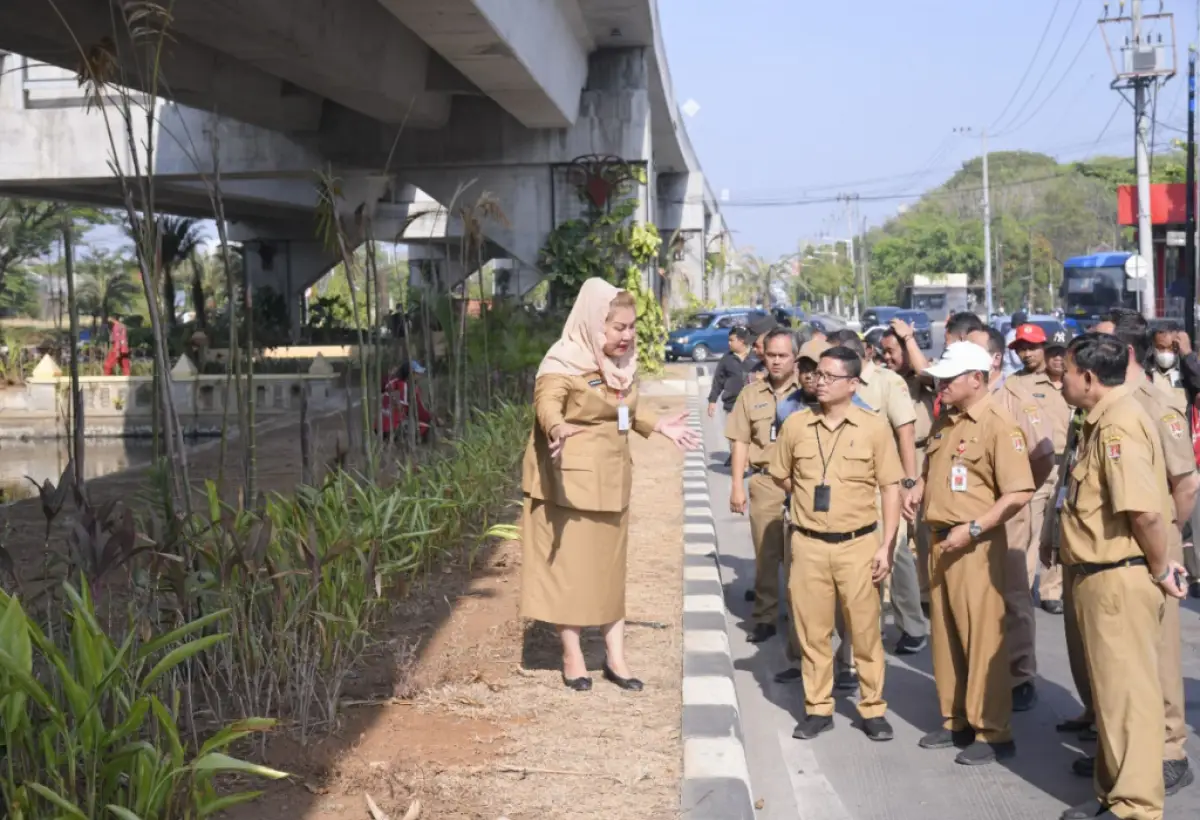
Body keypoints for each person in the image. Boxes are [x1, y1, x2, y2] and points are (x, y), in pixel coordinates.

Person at [520, 278, 699, 691]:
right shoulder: (563, 363)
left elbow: (624, 410)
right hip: (570, 486)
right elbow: (547, 403)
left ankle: (616, 658)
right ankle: (573, 655)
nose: (627, 335)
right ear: (592, 323)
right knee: (571, 572)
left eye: (631, 327)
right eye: (617, 327)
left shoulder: (619, 366)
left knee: (610, 571)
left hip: (614, 483)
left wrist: (658, 426)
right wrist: (557, 426)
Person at [1061, 312, 1198, 796]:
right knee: (1117, 683)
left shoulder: (1145, 410)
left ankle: (1163, 758)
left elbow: (1181, 485)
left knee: (1148, 677)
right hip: (1102, 558)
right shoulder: (1094, 413)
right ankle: (1120, 767)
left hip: (1135, 558)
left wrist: (1165, 554)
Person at [905, 341, 1034, 765]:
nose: (941, 383)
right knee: (945, 637)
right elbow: (932, 469)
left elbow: (1018, 492)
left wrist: (975, 527)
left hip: (975, 545)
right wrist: (920, 489)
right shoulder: (946, 420)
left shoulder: (999, 424)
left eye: (950, 377)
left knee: (982, 639)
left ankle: (993, 732)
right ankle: (955, 719)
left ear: (975, 379)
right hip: (940, 541)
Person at [769, 346, 903, 742]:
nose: (819, 382)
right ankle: (818, 707)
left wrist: (886, 546)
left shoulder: (874, 427)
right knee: (813, 632)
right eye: (817, 375)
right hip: (808, 545)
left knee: (865, 632)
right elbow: (780, 475)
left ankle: (873, 707)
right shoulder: (796, 425)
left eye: (829, 377)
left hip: (859, 545)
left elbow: (890, 488)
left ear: (852, 384)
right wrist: (806, 497)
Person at [828, 329, 928, 674]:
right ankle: (862, 635)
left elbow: (906, 432)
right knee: (862, 560)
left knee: (895, 552)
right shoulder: (835, 387)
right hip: (852, 484)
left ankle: (912, 626)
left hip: (886, 483)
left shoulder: (887, 383)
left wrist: (908, 483)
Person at [967, 325, 1052, 712]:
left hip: (1009, 511)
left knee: (1015, 592)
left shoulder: (1016, 398)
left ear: (994, 359)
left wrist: (1018, 497)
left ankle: (1020, 673)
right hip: (970, 514)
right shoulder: (961, 396)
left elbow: (1043, 455)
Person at [727, 328, 800, 642]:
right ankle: (766, 616)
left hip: (801, 485)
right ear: (763, 355)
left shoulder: (809, 393)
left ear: (794, 358)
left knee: (800, 555)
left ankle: (801, 617)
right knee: (766, 553)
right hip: (766, 481)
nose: (777, 362)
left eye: (783, 356)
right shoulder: (751, 394)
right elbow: (740, 441)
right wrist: (737, 486)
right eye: (771, 355)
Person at [1007, 324, 1073, 616]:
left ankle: (1052, 591)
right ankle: (1021, 588)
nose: (1058, 359)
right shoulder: (1022, 385)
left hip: (1068, 467)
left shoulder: (1079, 384)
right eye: (1054, 353)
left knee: (1058, 531)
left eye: (1063, 354)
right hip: (1036, 466)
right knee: (1030, 531)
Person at [881, 319, 936, 616]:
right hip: (892, 460)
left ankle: (925, 596)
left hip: (922, 457)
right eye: (883, 353)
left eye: (893, 351)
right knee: (897, 533)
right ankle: (896, 595)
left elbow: (927, 374)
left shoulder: (923, 379)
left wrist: (908, 339)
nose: (887, 358)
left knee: (922, 531)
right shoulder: (881, 379)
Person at [707, 326, 757, 420]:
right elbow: (718, 381)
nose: (729, 343)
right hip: (732, 407)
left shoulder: (756, 356)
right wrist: (712, 401)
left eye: (731, 340)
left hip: (754, 407)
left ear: (741, 341)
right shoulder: (727, 358)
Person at [379, 361, 433, 441]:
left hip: (379, 426)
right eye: (417, 373)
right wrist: (433, 418)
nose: (420, 376)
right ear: (411, 374)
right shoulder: (407, 387)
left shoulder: (391, 382)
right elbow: (419, 411)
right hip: (395, 426)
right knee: (427, 428)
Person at [1150, 320, 1187, 404]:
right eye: (1161, 347)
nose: (1166, 352)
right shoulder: (1146, 374)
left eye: (1171, 347)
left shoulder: (1187, 375)